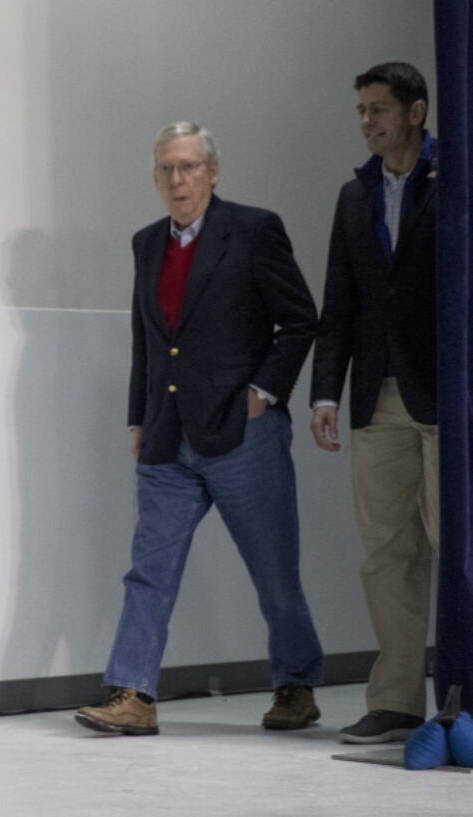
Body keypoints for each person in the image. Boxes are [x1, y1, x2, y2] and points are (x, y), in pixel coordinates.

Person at [75, 122, 325, 736]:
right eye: (166, 169)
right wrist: (139, 417)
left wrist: (264, 394)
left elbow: (299, 321)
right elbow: (147, 339)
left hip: (245, 436)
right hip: (167, 438)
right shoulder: (145, 243)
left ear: (213, 172)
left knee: (273, 570)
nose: (177, 180)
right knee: (149, 569)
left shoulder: (254, 229)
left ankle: (295, 684)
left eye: (188, 167)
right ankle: (133, 693)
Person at [310, 62, 438, 744]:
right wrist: (325, 390)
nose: (367, 122)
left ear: (416, 112)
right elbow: (341, 303)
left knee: (458, 541)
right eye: (361, 110)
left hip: (447, 391)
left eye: (379, 109)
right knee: (387, 550)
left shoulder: (454, 179)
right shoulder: (353, 197)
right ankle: (396, 701)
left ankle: (463, 687)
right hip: (377, 394)